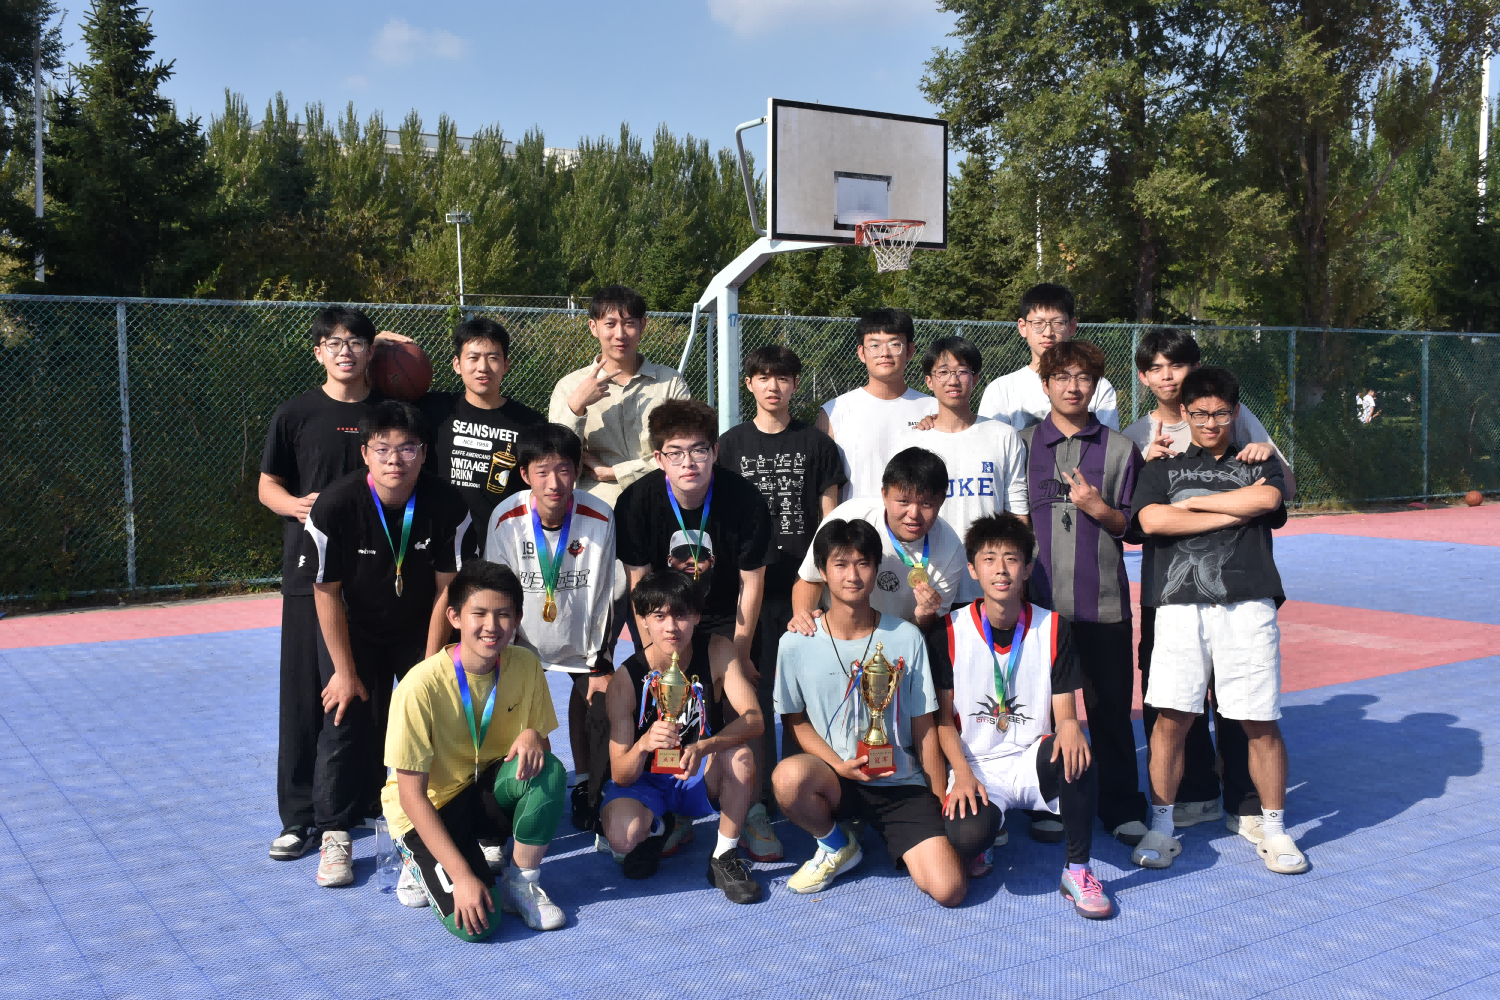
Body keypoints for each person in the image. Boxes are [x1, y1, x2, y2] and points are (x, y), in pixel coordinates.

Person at [1130, 366, 1308, 875]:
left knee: (1259, 719)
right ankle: (1162, 827)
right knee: (1171, 719)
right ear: (1184, 413)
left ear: (1236, 412)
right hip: (1177, 606)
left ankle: (1274, 828)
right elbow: (1152, 520)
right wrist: (1233, 512)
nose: (1211, 423)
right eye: (1201, 413)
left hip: (1248, 604)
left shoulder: (1259, 460)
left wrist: (1192, 506)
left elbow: (1269, 499)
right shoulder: (1161, 467)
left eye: (1221, 413)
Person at [301, 400, 471, 888]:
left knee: (431, 716)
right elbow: (326, 591)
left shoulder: (448, 504)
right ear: (365, 454)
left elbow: (447, 591)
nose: (395, 459)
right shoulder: (335, 505)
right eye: (383, 449)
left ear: (424, 454)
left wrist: (429, 667)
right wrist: (344, 670)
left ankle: (431, 827)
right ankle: (335, 833)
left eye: (407, 448)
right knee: (344, 712)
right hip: (354, 628)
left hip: (420, 626)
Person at [773, 518, 964, 906]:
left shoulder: (906, 636)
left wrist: (935, 799)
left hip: (899, 782)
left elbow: (924, 726)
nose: (852, 575)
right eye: (840, 564)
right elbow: (795, 721)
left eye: (863, 563)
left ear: (877, 569)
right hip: (836, 778)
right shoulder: (795, 642)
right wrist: (838, 766)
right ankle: (836, 843)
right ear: (822, 571)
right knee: (788, 777)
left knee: (950, 890)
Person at [931, 514, 1114, 918]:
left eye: (1011, 559)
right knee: (965, 839)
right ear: (973, 569)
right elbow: (943, 721)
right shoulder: (949, 631)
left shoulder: (1054, 627)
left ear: (1027, 568)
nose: (1001, 569)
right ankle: (989, 829)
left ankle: (1078, 871)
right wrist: (961, 773)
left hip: (1031, 758)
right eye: (989, 559)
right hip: (977, 765)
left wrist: (1071, 727)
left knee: (1079, 754)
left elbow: (1065, 711)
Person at [259, 306, 385, 863]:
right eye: (333, 342)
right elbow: (267, 486)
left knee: (368, 691)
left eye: (356, 341)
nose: (345, 350)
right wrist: (295, 506)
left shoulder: (389, 414)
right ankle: (299, 815)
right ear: (317, 352)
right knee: (306, 696)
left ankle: (361, 802)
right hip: (309, 575)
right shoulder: (296, 413)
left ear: (371, 351)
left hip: (376, 573)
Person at [384, 560, 568, 939]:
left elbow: (540, 759)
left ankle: (521, 883)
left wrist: (533, 735)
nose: (491, 626)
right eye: (479, 613)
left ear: (517, 619)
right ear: (454, 616)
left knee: (549, 770)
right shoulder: (419, 687)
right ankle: (418, 859)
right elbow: (411, 796)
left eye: (504, 614)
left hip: (481, 793)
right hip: (428, 809)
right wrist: (463, 876)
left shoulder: (526, 665)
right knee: (478, 926)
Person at [1016, 341, 1149, 847]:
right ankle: (1050, 801)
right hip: (1039, 610)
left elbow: (1134, 527)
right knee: (1044, 714)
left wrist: (1099, 509)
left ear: (1096, 386)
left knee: (1110, 711)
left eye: (1084, 378)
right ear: (1045, 384)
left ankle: (1121, 806)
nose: (1073, 387)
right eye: (1062, 377)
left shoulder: (1120, 449)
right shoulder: (1021, 445)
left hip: (1103, 605)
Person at [716, 345, 845, 856]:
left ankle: (801, 791)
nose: (773, 386)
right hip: (747, 589)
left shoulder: (817, 444)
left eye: (783, 378)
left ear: (795, 384)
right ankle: (755, 805)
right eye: (763, 377)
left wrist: (826, 586)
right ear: (748, 383)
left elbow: (831, 520)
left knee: (802, 695)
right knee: (751, 692)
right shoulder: (730, 445)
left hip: (803, 589)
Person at [599, 571, 766, 903]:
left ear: (697, 616)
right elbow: (620, 773)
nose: (671, 627)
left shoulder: (717, 650)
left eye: (681, 615)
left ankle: (724, 856)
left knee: (740, 756)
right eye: (659, 616)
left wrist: (705, 746)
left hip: (696, 770)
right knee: (622, 837)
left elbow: (755, 719)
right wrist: (644, 744)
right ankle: (660, 827)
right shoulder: (626, 679)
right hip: (646, 780)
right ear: (643, 620)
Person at [484, 423, 616, 839]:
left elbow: (606, 593)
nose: (554, 482)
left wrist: (600, 662)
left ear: (577, 470)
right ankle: (502, 802)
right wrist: (504, 659)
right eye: (542, 471)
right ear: (524, 474)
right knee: (507, 714)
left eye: (563, 470)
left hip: (581, 644)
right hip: (522, 643)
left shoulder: (600, 515)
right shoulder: (505, 517)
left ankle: (589, 789)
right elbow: (496, 591)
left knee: (605, 707)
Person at [893, 335, 1029, 603]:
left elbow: (1017, 513)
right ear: (929, 381)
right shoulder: (911, 442)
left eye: (962, 371)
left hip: (989, 585)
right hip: (930, 583)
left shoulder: (1003, 436)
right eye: (943, 372)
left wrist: (1018, 581)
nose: (953, 380)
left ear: (975, 378)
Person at [791, 447, 965, 634]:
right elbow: (811, 578)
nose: (914, 514)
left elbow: (932, 624)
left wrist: (925, 616)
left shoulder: (951, 549)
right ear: (884, 494)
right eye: (904, 501)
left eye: (926, 504)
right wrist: (804, 619)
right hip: (838, 635)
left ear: (942, 501)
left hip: (901, 639)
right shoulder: (848, 516)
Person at [549, 285, 691, 507]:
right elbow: (556, 458)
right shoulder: (570, 386)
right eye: (610, 324)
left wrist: (614, 472)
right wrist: (576, 406)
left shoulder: (670, 382)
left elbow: (683, 452)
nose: (620, 334)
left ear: (642, 325)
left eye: (629, 323)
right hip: (594, 507)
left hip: (660, 500)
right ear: (593, 327)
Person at [414, 317, 545, 557]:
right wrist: (379, 342)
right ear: (457, 364)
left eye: (493, 358)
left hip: (503, 543)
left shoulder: (530, 422)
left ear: (506, 365)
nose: (483, 367)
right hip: (438, 542)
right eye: (473, 358)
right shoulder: (432, 410)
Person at [816, 307, 938, 502]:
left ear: (910, 351)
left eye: (894, 344)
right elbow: (822, 483)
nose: (885, 353)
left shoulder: (934, 409)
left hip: (916, 519)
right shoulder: (834, 411)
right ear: (861, 353)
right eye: (874, 345)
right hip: (853, 520)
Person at [976, 283, 1119, 431]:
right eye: (1038, 323)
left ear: (1072, 326)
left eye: (1057, 323)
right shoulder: (1001, 390)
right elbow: (991, 442)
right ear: (1023, 327)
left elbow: (1108, 443)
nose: (1048, 332)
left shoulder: (1097, 386)